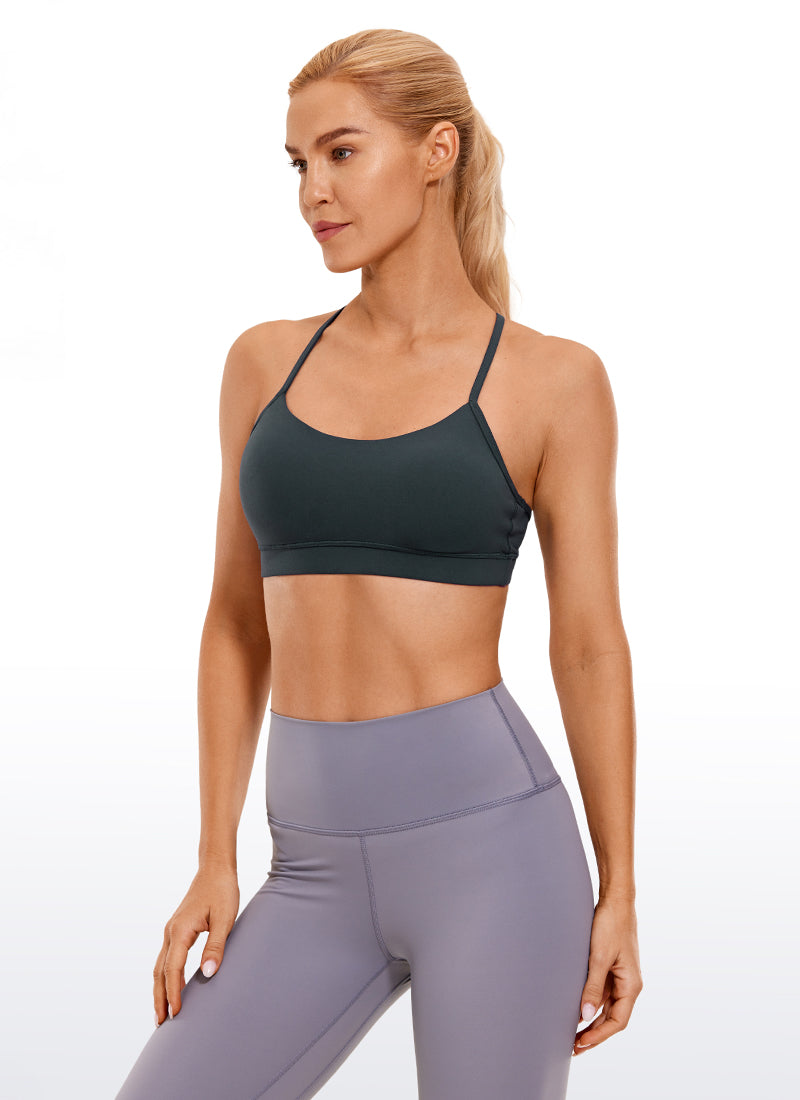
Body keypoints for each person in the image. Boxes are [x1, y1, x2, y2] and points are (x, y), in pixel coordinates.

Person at [114, 27, 642, 1100]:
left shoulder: (550, 381)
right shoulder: (265, 362)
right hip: (306, 862)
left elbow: (588, 646)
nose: (313, 189)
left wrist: (620, 886)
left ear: (437, 151)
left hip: (494, 854)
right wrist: (215, 854)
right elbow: (234, 619)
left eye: (342, 152)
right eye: (298, 162)